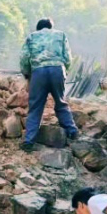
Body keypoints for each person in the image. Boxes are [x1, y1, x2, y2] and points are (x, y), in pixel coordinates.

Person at [19, 18, 79, 152]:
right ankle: (72, 130)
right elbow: (68, 57)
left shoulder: (32, 37)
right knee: (60, 101)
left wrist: (27, 74)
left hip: (39, 72)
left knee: (35, 106)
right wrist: (64, 71)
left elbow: (24, 58)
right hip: (57, 69)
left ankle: (29, 141)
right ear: (51, 27)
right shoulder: (61, 35)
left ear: (38, 28)